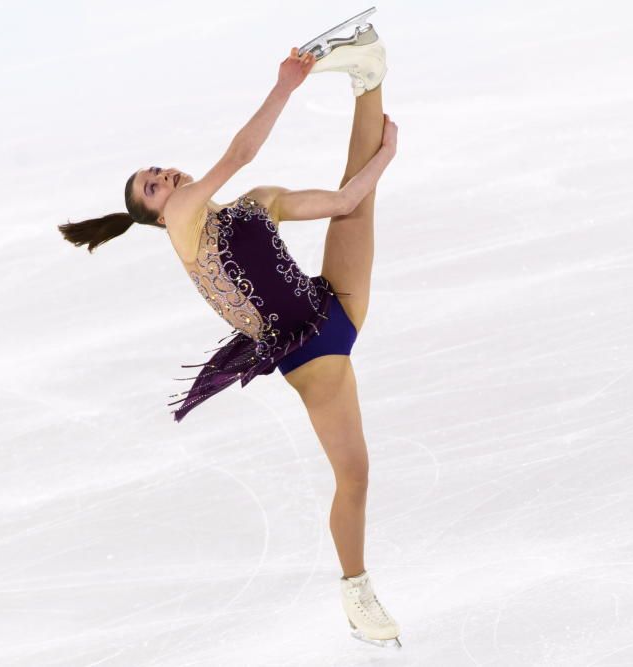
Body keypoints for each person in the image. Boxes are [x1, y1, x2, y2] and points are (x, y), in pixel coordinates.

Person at [59, 17, 401, 649]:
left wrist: (383, 157)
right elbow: (241, 151)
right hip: (310, 353)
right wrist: (286, 85)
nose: (166, 178)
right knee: (355, 476)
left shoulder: (255, 201)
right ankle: (356, 591)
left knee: (364, 194)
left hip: (337, 306)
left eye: (159, 169)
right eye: (152, 186)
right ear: (156, 213)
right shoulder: (185, 224)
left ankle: (367, 72)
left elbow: (345, 201)